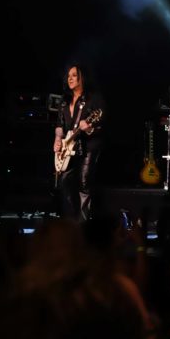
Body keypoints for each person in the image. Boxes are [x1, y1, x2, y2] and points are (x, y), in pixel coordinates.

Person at [53, 64, 104, 221]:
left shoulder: (94, 98)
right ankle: (69, 222)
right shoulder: (64, 101)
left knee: (84, 183)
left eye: (74, 75)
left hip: (88, 146)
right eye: (68, 75)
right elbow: (60, 125)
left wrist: (88, 128)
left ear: (82, 77)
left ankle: (83, 225)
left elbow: (102, 123)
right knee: (63, 183)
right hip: (68, 148)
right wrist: (57, 140)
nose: (70, 78)